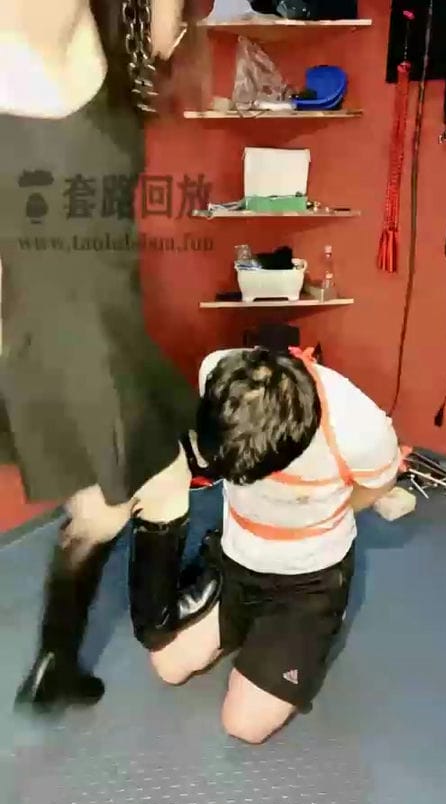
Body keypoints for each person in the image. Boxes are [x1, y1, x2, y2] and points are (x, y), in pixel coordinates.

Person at [0, 0, 218, 711]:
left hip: (93, 326)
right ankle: (75, 657)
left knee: (154, 484)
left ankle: (86, 652)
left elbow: (161, 39)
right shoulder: (40, 44)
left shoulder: (97, 50)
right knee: (112, 506)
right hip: (75, 342)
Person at [149, 347, 401, 744]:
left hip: (307, 582)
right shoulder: (217, 371)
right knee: (167, 666)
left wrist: (316, 518)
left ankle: (294, 638)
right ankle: (241, 627)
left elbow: (377, 487)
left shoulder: (360, 430)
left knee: (243, 726)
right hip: (234, 555)